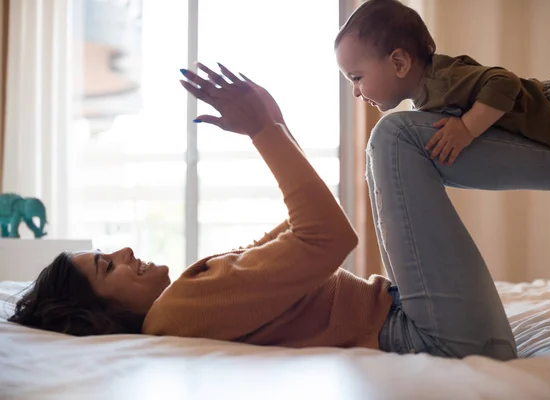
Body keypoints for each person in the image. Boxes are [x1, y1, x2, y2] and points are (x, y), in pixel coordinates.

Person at [9, 62, 517, 361]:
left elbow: (312, 230)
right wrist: (261, 131)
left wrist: (274, 124)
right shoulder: (179, 310)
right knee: (393, 138)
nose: (122, 251)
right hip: (432, 334)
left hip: (421, 317)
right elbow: (330, 238)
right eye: (106, 266)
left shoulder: (189, 297)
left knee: (395, 142)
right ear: (97, 314)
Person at [335, 0, 550, 194]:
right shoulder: (424, 97)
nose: (356, 91)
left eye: (356, 78)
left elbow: (504, 81)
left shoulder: (443, 80)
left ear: (400, 63)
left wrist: (466, 127)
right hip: (549, 121)